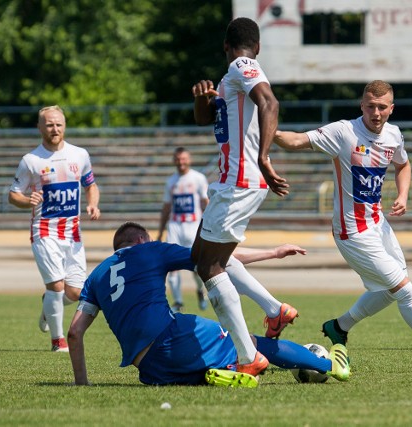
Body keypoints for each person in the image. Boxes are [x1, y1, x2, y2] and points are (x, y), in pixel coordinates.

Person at [273, 80, 412, 369]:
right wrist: (265, 130)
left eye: (382, 107)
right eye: (370, 106)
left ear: (391, 109)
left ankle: (339, 327)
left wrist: (403, 194)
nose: (376, 112)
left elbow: (403, 165)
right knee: (404, 290)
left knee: (388, 290)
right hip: (351, 230)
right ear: (362, 105)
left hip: (378, 224)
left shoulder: (393, 135)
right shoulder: (343, 132)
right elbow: (295, 140)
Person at [68, 222, 350, 388]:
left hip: (149, 369)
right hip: (171, 337)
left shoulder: (97, 275)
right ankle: (327, 365)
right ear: (142, 240)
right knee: (249, 343)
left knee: (212, 357)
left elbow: (75, 333)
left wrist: (82, 384)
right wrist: (272, 253)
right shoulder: (151, 250)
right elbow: (216, 259)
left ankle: (217, 372)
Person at [190, 17, 294, 376]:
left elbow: (270, 103)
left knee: (209, 266)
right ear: (260, 44)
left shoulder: (241, 65)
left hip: (239, 182)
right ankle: (273, 309)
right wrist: (203, 101)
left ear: (226, 47)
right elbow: (207, 121)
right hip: (231, 182)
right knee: (200, 255)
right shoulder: (230, 81)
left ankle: (248, 357)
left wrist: (264, 157)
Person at [8, 105, 100, 352]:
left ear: (65, 126)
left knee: (76, 291)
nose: (54, 129)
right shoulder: (31, 161)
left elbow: (91, 185)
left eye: (58, 124)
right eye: (49, 124)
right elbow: (13, 195)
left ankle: (48, 307)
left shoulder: (79, 155)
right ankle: (58, 342)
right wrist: (27, 201)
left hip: (73, 233)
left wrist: (92, 204)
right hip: (45, 231)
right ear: (40, 128)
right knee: (57, 286)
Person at [157, 147, 209, 312]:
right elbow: (166, 207)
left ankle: (200, 290)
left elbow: (205, 202)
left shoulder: (198, 178)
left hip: (193, 226)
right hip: (175, 226)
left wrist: (208, 225)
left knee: (197, 266)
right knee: (172, 265)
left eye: (184, 159)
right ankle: (178, 301)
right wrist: (160, 232)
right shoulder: (170, 182)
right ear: (174, 160)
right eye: (178, 159)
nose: (181, 162)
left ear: (189, 159)